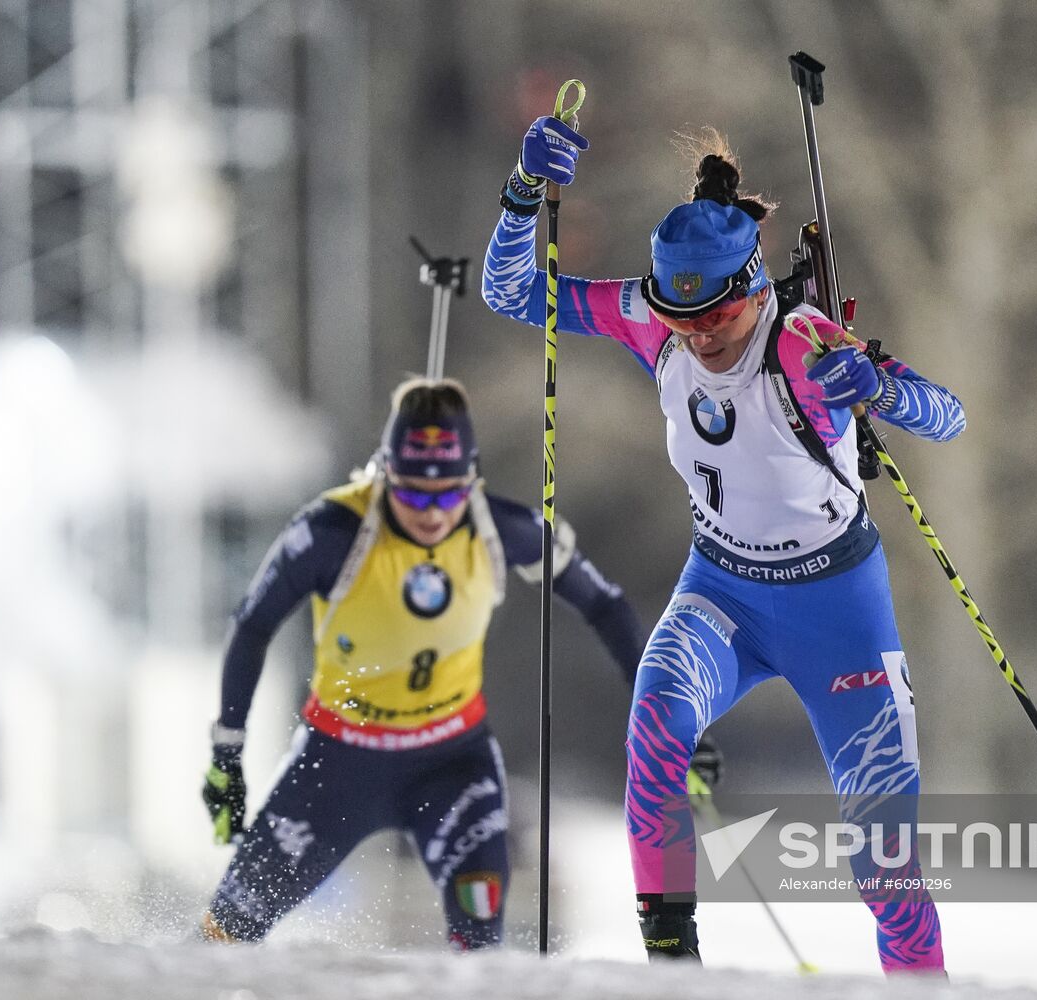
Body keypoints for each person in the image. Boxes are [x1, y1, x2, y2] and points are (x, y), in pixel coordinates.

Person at [481, 118, 965, 975]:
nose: (697, 334)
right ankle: (673, 965)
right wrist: (524, 196)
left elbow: (947, 417)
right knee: (656, 726)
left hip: (837, 610)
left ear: (752, 286)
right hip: (722, 594)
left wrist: (878, 387)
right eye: (680, 314)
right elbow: (514, 294)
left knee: (884, 864)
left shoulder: (804, 342)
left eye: (715, 313)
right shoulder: (651, 320)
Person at [197, 376, 664, 950]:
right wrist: (227, 748)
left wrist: (662, 712)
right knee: (225, 936)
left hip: (451, 765)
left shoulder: (500, 529)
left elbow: (605, 603)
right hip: (338, 761)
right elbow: (252, 625)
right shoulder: (333, 531)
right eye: (415, 494)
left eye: (448, 495)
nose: (433, 514)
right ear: (385, 473)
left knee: (480, 946)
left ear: (471, 480)